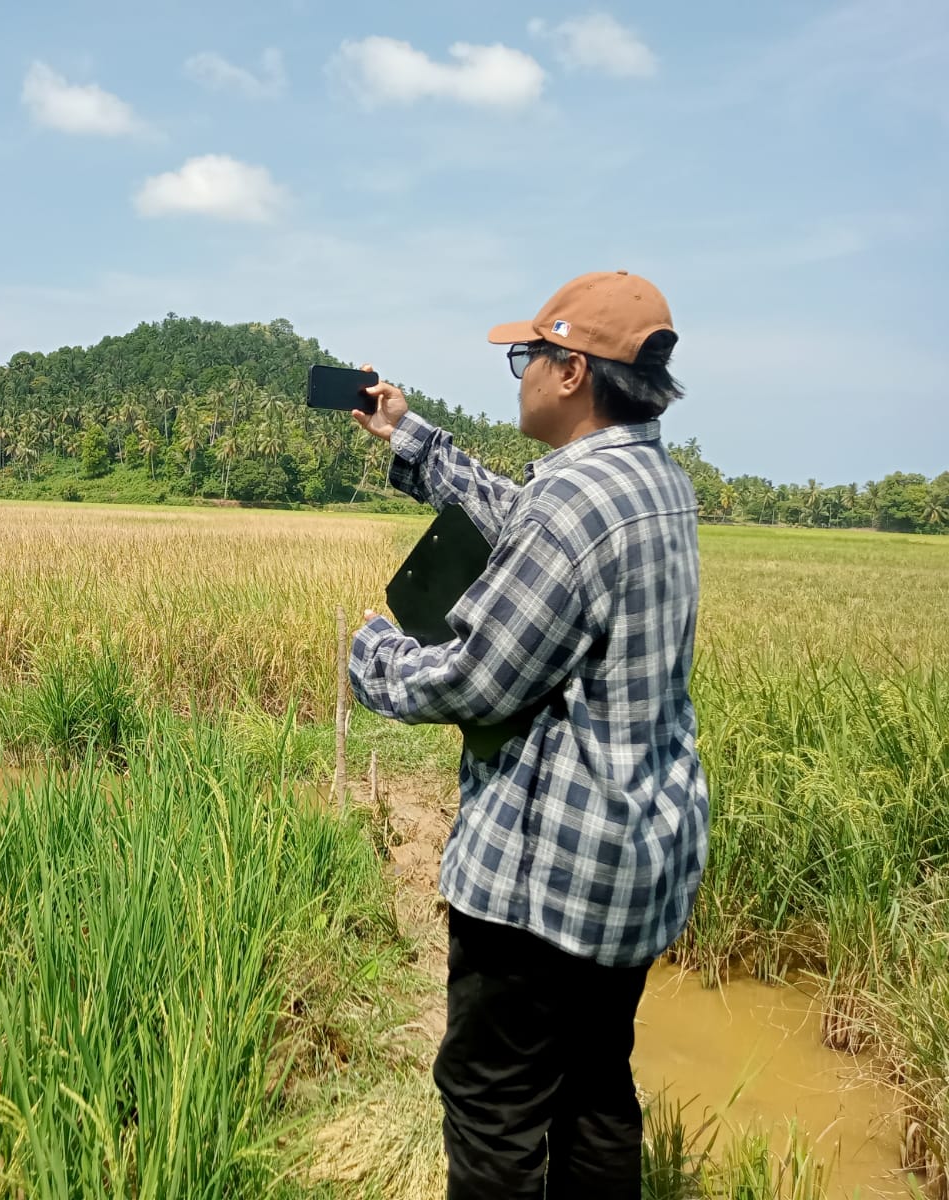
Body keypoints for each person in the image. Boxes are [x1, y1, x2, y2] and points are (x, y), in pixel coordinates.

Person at [345, 270, 709, 1199]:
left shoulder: (576, 505)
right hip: (630, 865)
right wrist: (410, 438)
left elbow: (476, 675)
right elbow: (524, 525)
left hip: (544, 886)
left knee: (492, 1101)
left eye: (527, 356)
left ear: (571, 372)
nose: (519, 374)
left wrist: (374, 655)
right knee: (593, 1091)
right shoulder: (652, 480)